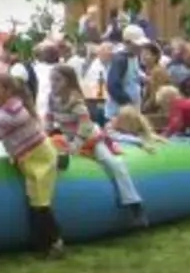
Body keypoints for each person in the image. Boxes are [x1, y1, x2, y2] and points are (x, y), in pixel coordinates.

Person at [0, 74, 66, 259]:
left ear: (8, 91)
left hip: (39, 158)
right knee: (36, 202)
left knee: (40, 203)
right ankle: (42, 243)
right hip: (33, 157)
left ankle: (54, 243)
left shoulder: (8, 113)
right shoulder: (14, 106)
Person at [49, 65, 148, 226]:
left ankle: (134, 204)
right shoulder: (51, 98)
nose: (53, 83)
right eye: (51, 79)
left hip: (89, 138)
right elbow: (48, 119)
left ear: (68, 82)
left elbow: (86, 124)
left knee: (114, 163)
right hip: (67, 137)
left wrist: (77, 144)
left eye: (57, 80)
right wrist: (50, 136)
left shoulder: (76, 100)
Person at [105, 25, 148, 120]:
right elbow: (113, 86)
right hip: (119, 112)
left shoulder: (134, 56)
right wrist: (127, 102)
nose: (140, 48)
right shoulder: (120, 60)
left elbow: (134, 73)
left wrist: (143, 78)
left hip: (132, 110)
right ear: (127, 43)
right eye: (137, 45)